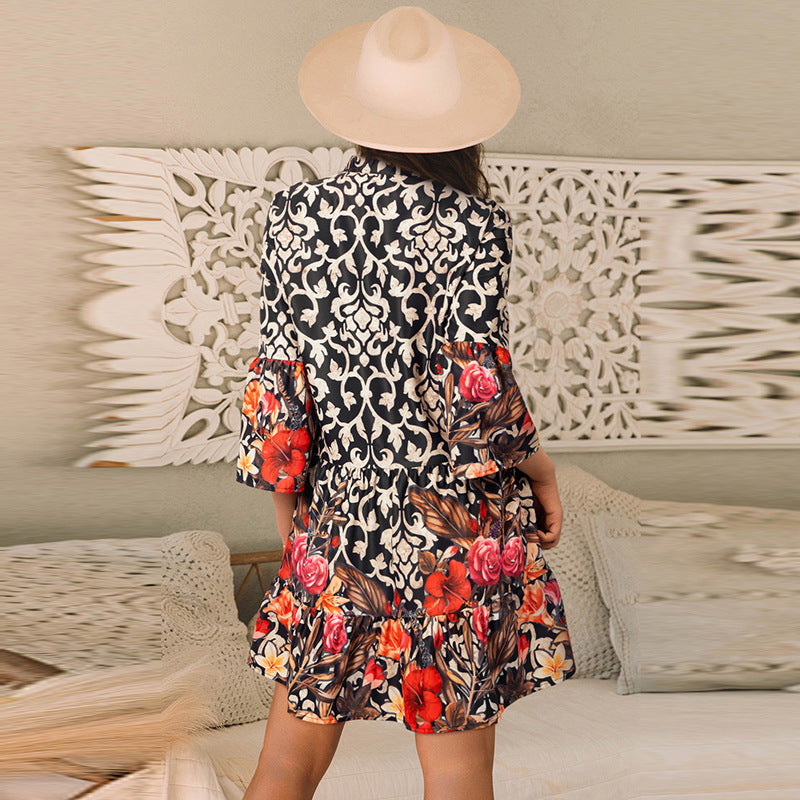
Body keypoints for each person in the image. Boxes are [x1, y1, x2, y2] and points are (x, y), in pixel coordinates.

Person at [235, 7, 577, 799]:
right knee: (456, 770)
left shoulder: (294, 216)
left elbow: (281, 375)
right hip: (456, 528)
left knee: (286, 762)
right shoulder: (474, 223)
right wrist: (544, 469)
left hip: (342, 514)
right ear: (461, 122)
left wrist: (294, 512)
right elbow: (474, 384)